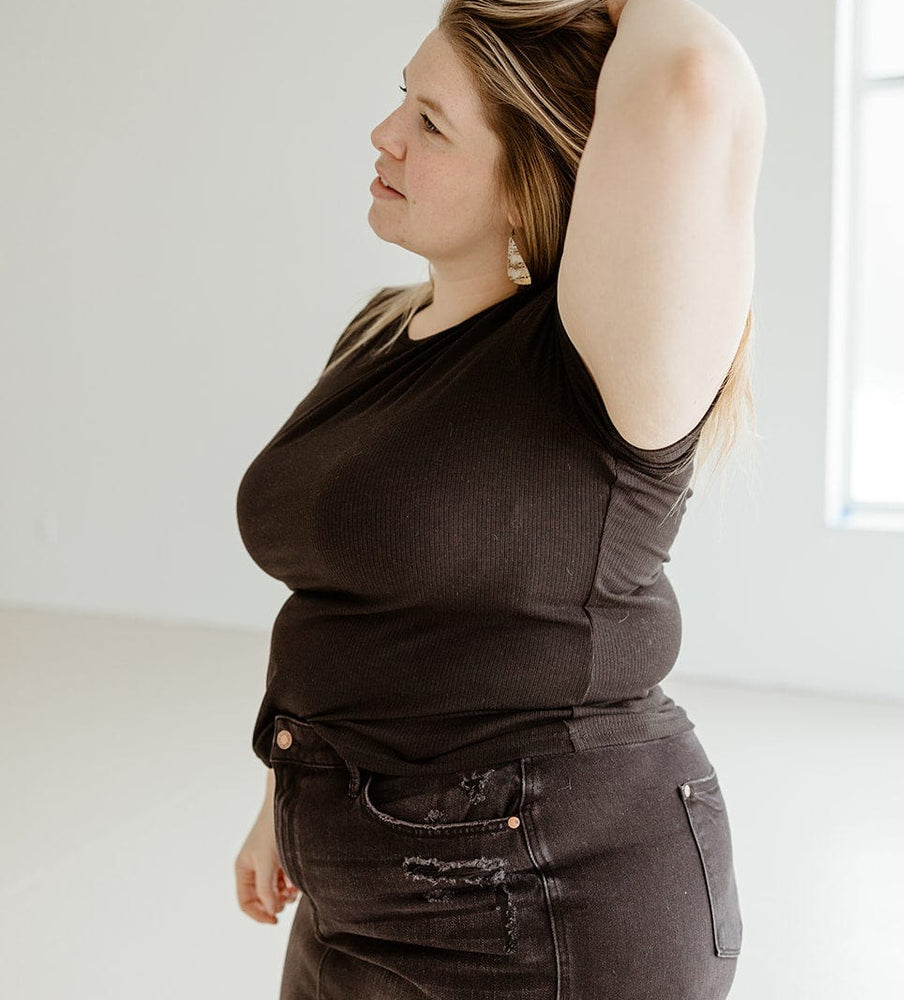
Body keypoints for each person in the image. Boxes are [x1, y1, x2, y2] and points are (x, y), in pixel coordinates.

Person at [234, 0, 765, 997]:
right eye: (403, 99)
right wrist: (286, 786)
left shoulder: (606, 368)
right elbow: (341, 597)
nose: (384, 133)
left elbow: (691, 76)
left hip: (556, 902)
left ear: (532, 180)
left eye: (431, 123)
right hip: (358, 887)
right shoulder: (380, 329)